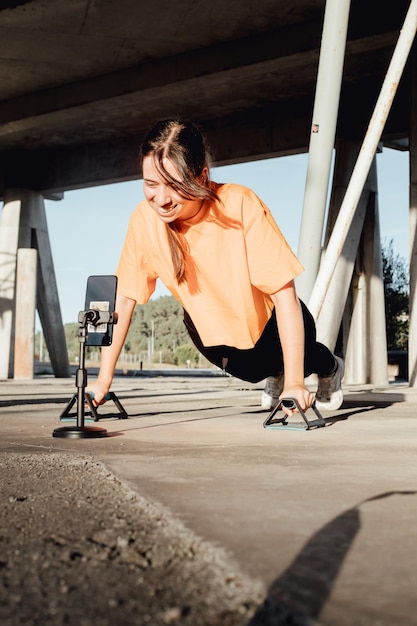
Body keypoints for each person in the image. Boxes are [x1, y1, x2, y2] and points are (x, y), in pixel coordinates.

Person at [87, 118, 344, 415]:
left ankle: (328, 368)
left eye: (175, 185)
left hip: (272, 326)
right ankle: (276, 372)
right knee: (252, 371)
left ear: (202, 177)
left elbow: (284, 294)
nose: (161, 199)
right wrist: (102, 381)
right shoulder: (143, 221)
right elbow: (125, 299)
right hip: (215, 342)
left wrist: (296, 383)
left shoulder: (238, 204)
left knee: (296, 356)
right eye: (150, 184)